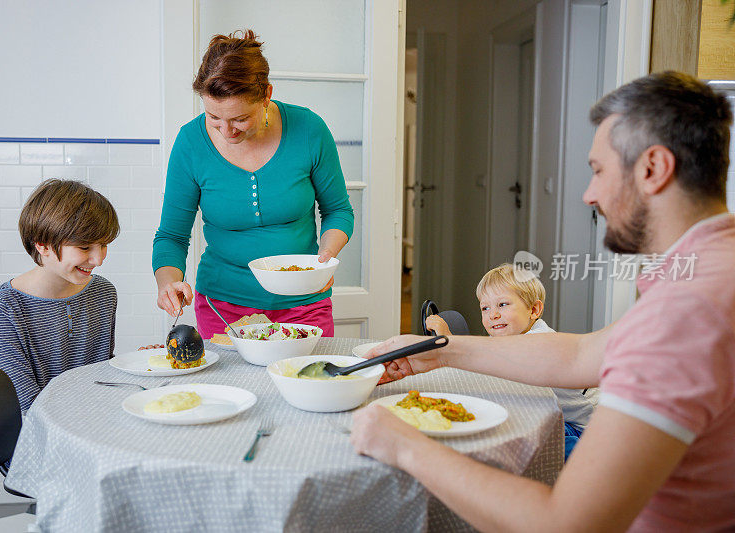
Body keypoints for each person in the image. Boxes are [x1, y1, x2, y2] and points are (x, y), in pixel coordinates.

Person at [351, 71, 735, 531]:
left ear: (652, 168)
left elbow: (564, 523)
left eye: (597, 171)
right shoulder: (713, 265)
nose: (589, 195)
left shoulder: (683, 313)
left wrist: (403, 444)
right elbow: (581, 354)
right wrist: (439, 352)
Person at [152, 30, 354, 339]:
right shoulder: (190, 143)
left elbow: (339, 210)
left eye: (240, 118)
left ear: (266, 94)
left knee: (307, 381)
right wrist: (169, 284)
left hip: (304, 301)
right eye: (213, 117)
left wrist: (325, 257)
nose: (226, 131)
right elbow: (171, 236)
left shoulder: (309, 130)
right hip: (223, 306)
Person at [426, 263, 598, 460]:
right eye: (485, 307)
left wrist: (450, 341)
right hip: (558, 414)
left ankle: (588, 464)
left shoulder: (539, 340)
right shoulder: (504, 340)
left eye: (503, 304)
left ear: (534, 310)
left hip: (586, 429)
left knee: (535, 437)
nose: (493, 314)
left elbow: (492, 363)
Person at [0, 179, 119, 414]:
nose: (98, 259)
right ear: (43, 245)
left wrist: (142, 364)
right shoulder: (3, 307)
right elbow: (27, 404)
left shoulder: (103, 293)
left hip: (96, 419)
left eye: (103, 244)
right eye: (85, 248)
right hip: (42, 432)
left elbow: (100, 375)